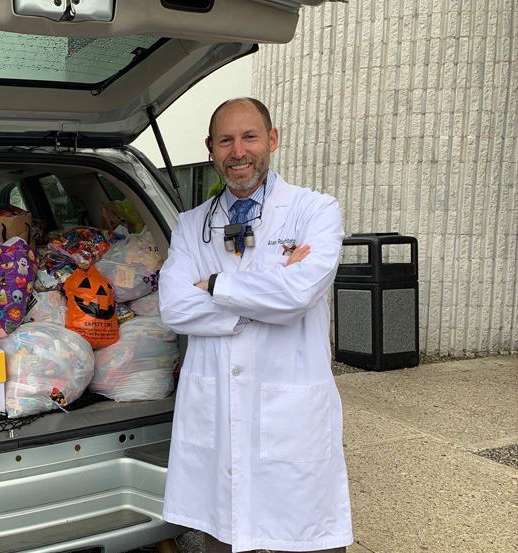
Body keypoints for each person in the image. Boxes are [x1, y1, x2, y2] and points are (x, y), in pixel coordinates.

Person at [158, 97, 353, 553]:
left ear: (272, 139)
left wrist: (216, 285)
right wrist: (268, 294)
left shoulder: (315, 211)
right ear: (210, 148)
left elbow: (299, 295)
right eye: (225, 140)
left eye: (249, 136)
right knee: (220, 532)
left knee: (307, 533)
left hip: (291, 407)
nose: (238, 151)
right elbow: (175, 307)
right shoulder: (190, 227)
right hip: (216, 407)